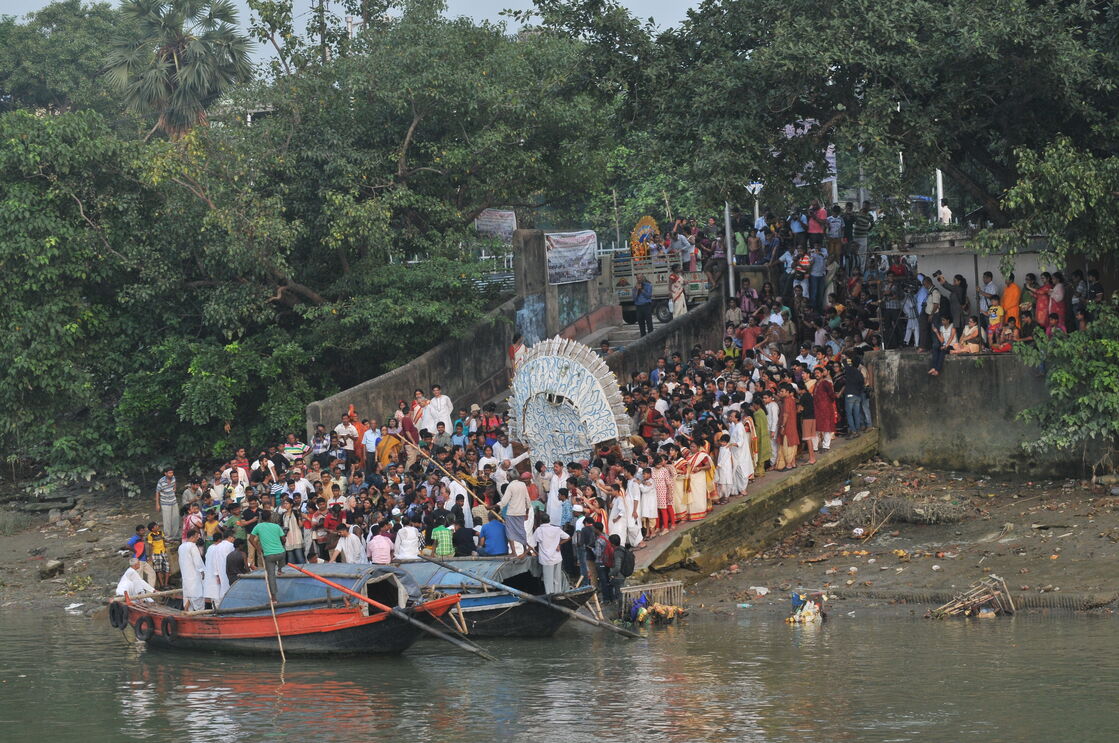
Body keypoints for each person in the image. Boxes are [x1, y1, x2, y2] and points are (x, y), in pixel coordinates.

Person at [249, 516, 287, 601]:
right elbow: (284, 539)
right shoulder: (276, 526)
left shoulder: (258, 526)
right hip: (281, 553)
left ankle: (274, 598)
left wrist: (258, 549)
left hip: (269, 555)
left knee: (271, 576)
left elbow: (250, 539)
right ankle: (280, 569)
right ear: (270, 518)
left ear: (261, 519)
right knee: (282, 555)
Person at [528, 518, 570, 594]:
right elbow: (568, 537)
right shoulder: (556, 529)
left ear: (541, 521)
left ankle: (550, 596)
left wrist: (525, 553)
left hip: (546, 559)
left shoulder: (539, 530)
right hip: (557, 558)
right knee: (557, 578)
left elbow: (532, 545)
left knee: (548, 580)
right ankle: (558, 594)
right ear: (549, 520)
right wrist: (559, 544)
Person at [498, 471, 533, 553]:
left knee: (510, 533)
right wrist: (527, 513)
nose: (507, 477)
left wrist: (492, 506)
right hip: (521, 513)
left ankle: (514, 552)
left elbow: (504, 502)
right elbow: (527, 500)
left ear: (510, 477)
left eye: (507, 476)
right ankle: (525, 550)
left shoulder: (510, 486)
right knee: (521, 531)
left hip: (511, 513)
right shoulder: (522, 485)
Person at [203, 530, 235, 606]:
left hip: (212, 573)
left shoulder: (210, 548)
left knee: (215, 597)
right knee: (220, 594)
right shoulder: (226, 546)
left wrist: (216, 573)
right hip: (220, 573)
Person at [178, 529, 206, 611]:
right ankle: (200, 612)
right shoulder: (193, 546)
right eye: (197, 537)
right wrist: (202, 571)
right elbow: (197, 560)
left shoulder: (181, 546)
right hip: (194, 574)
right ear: (193, 537)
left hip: (185, 574)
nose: (197, 539)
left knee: (187, 594)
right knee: (197, 594)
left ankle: (186, 611)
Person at [144, 522, 170, 589]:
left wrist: (165, 546)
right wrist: (150, 556)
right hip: (156, 553)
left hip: (163, 552)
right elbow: (150, 546)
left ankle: (166, 584)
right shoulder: (150, 535)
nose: (157, 526)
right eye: (156, 526)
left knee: (167, 568)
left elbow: (163, 540)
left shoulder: (161, 532)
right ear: (152, 529)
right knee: (158, 570)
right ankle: (162, 585)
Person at [155, 467, 178, 541]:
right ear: (165, 473)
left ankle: (175, 536)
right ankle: (168, 537)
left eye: (172, 472)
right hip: (165, 503)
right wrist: (157, 504)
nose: (171, 474)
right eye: (169, 473)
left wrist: (174, 489)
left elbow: (174, 485)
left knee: (175, 519)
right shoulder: (161, 481)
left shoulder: (173, 478)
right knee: (167, 521)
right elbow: (157, 492)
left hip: (174, 501)